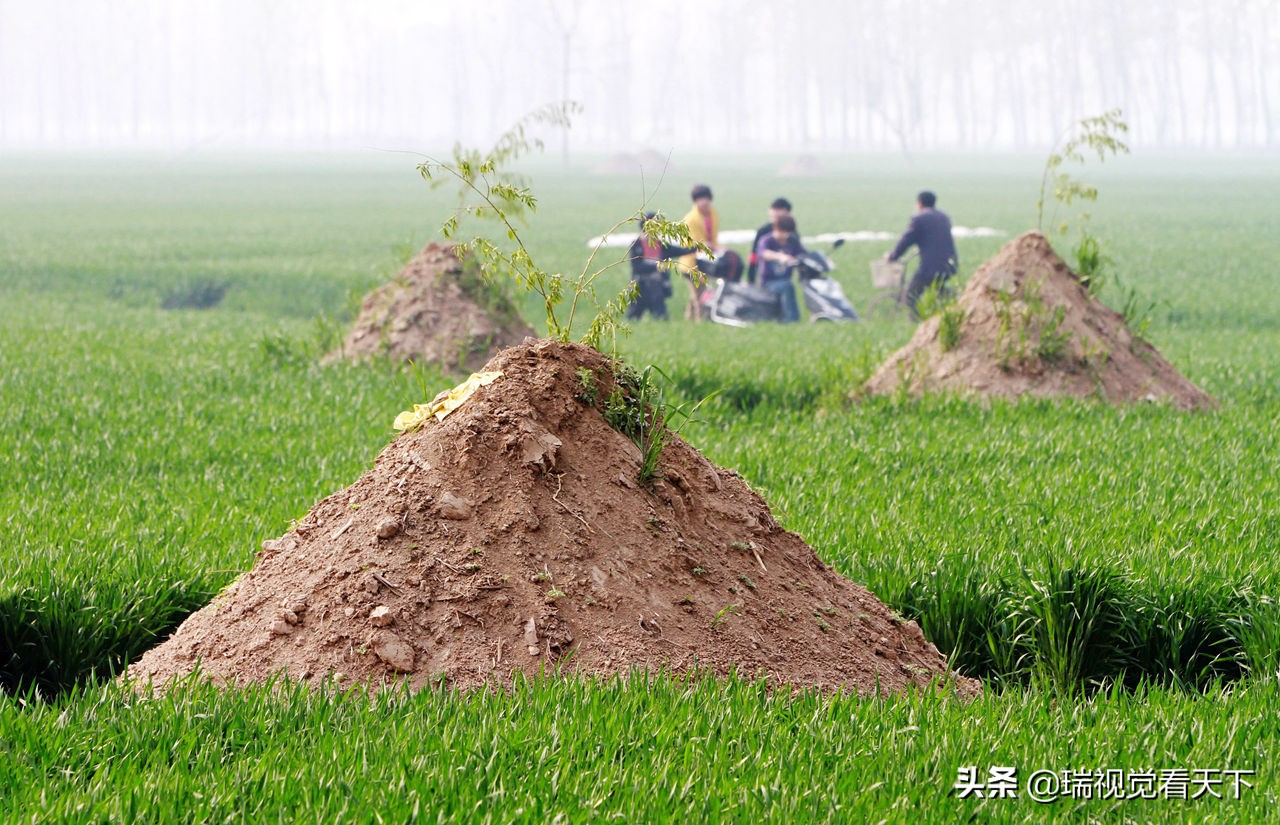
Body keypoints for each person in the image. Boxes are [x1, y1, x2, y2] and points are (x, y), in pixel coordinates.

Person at [885, 190, 958, 319]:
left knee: (911, 295)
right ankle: (955, 297)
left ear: (919, 203)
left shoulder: (919, 219)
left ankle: (918, 322)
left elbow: (906, 240)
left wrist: (893, 256)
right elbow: (935, 238)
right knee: (937, 289)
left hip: (930, 267)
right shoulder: (943, 217)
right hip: (950, 264)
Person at [625, 212, 688, 321]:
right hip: (640, 286)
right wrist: (657, 267)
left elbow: (679, 251)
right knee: (633, 317)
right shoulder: (637, 245)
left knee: (661, 317)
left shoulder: (661, 244)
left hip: (657, 286)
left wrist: (698, 247)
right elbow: (637, 267)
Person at [678, 183, 724, 321]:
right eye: (700, 199)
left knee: (698, 293)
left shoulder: (713, 214)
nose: (704, 202)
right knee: (699, 294)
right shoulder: (690, 219)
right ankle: (700, 321)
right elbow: (692, 243)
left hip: (705, 261)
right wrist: (710, 246)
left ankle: (688, 319)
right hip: (691, 263)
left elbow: (713, 236)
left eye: (706, 198)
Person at [755, 214, 804, 323]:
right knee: (787, 286)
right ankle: (790, 320)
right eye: (782, 231)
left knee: (787, 285)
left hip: (785, 280)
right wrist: (781, 257)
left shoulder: (792, 242)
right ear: (776, 228)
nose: (784, 235)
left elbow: (803, 255)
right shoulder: (766, 240)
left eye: (787, 232)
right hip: (768, 282)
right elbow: (764, 253)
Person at [747, 197, 798, 284]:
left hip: (784, 277)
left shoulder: (792, 234)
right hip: (767, 278)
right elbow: (755, 255)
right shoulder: (764, 232)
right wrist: (751, 280)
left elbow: (799, 253)